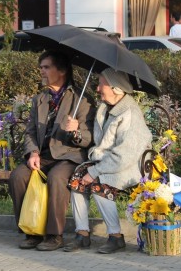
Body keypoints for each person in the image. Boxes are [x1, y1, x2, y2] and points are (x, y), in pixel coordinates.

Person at [8, 50, 95, 251]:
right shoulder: (40, 99)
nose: (42, 71)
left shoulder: (82, 100)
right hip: (43, 156)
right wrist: (33, 153)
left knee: (57, 178)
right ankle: (31, 231)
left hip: (68, 156)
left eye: (46, 67)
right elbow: (30, 131)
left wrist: (76, 132)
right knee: (18, 176)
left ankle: (54, 235)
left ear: (62, 70)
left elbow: (89, 138)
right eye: (41, 67)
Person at [63, 68, 152, 254]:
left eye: (101, 84)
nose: (97, 89)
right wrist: (76, 130)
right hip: (108, 162)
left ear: (115, 88)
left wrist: (95, 172)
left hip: (130, 165)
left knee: (97, 184)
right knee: (78, 178)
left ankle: (116, 237)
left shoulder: (130, 113)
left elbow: (124, 155)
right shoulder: (104, 108)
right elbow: (99, 142)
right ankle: (82, 234)